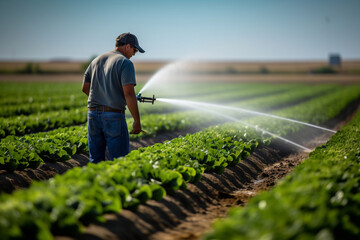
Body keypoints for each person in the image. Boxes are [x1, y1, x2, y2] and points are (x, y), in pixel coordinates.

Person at [82, 32, 145, 163]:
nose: (134, 54)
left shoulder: (96, 60)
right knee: (119, 161)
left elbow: (85, 87)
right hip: (113, 117)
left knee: (95, 161)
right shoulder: (125, 63)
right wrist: (137, 121)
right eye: (135, 50)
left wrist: (103, 98)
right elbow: (129, 94)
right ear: (128, 46)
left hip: (92, 115)